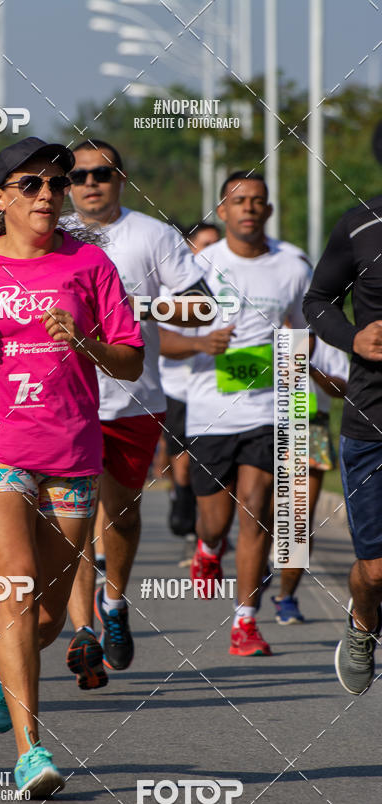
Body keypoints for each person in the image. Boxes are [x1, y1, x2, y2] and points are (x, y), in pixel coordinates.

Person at [0, 136, 144, 797]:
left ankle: (5, 674)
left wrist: (89, 343)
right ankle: (30, 753)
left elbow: (131, 358)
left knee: (47, 615)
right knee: (17, 583)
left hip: (71, 453)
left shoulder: (89, 264)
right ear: (1, 199)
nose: (48, 194)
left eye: (56, 183)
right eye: (31, 185)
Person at [63, 139, 213, 690]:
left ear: (120, 178)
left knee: (120, 516)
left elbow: (201, 307)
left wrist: (134, 305)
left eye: (101, 173)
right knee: (73, 521)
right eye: (77, 176)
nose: (89, 183)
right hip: (66, 402)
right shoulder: (50, 235)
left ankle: (115, 601)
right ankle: (84, 633)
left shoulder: (151, 235)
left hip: (132, 399)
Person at [186, 171, 311, 656]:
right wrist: (201, 341)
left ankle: (245, 622)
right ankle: (208, 549)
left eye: (258, 201)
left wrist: (305, 388)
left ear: (269, 211)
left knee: (256, 511)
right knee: (215, 522)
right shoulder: (198, 265)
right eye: (239, 201)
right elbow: (163, 335)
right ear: (222, 211)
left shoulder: (292, 265)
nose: (249, 208)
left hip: (268, 408)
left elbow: (305, 332)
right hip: (209, 412)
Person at [303, 190, 382, 694]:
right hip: (372, 422)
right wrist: (352, 337)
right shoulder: (359, 226)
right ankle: (362, 622)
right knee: (375, 573)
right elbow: (316, 302)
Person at [270, 333, 348, 624]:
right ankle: (255, 568)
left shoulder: (326, 333)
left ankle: (286, 596)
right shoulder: (260, 324)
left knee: (298, 521)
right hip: (260, 423)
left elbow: (343, 388)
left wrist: (310, 369)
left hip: (308, 425)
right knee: (262, 517)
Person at [158, 221, 222, 543]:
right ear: (191, 248)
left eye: (216, 244)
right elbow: (162, 339)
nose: (210, 252)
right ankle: (183, 503)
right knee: (182, 464)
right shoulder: (174, 288)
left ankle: (210, 529)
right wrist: (199, 345)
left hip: (219, 389)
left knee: (211, 465)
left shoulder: (229, 284)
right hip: (178, 386)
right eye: (204, 245)